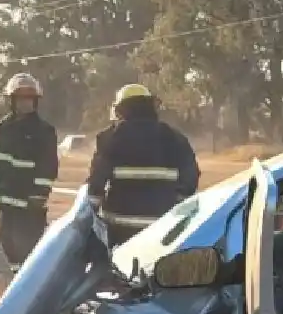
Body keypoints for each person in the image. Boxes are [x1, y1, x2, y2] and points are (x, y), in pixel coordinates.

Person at [85, 83, 200, 247]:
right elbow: (190, 178)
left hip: (119, 228)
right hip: (162, 225)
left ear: (121, 109)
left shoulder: (109, 138)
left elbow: (96, 183)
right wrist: (173, 203)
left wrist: (92, 213)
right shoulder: (175, 137)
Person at [0, 73, 59, 271]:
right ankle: (18, 278)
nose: (25, 103)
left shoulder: (44, 130)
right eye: (20, 99)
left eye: (29, 99)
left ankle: (31, 281)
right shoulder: (3, 127)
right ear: (12, 101)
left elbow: (48, 165)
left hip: (29, 203)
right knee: (9, 244)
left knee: (31, 247)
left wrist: (40, 194)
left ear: (36, 101)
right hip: (6, 201)